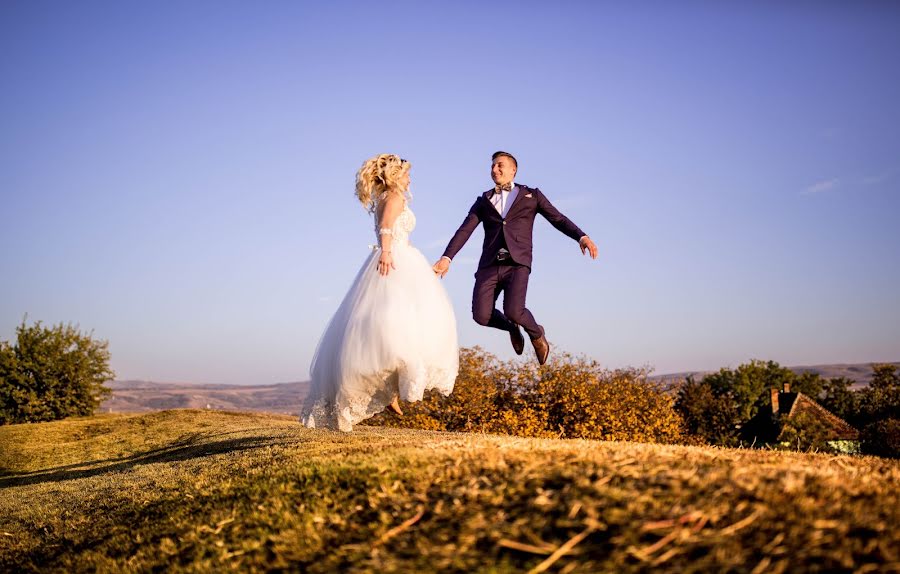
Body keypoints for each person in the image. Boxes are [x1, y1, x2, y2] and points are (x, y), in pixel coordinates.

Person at [301, 154, 458, 432]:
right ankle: (392, 389)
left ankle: (391, 390)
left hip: (398, 258)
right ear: (396, 175)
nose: (410, 178)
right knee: (401, 326)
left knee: (390, 328)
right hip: (395, 259)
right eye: (407, 173)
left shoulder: (384, 196)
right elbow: (386, 227)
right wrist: (386, 252)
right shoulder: (394, 197)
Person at [432, 151, 597, 365]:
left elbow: (558, 218)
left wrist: (581, 236)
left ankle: (537, 334)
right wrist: (447, 257)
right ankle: (512, 327)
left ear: (513, 170)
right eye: (492, 167)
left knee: (513, 310)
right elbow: (464, 230)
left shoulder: (532, 195)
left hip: (517, 264)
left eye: (499, 165)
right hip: (489, 264)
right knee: (481, 315)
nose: (494, 170)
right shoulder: (483, 200)